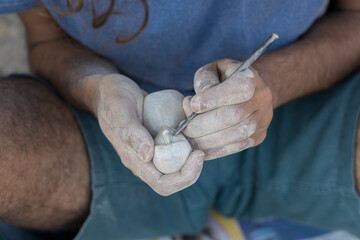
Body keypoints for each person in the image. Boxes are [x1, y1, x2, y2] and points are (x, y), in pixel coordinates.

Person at [0, 0, 359, 239]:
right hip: (103, 136)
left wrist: (273, 83)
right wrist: (97, 89)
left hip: (305, 108)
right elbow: (47, 40)